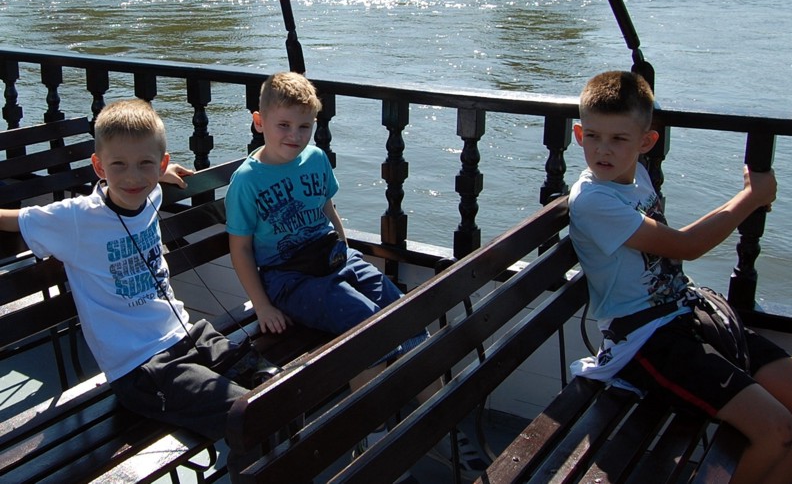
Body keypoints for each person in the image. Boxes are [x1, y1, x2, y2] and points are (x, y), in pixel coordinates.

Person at [225, 71, 488, 482]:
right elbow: (240, 249)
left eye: (304, 127)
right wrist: (262, 305)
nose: (294, 136)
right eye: (283, 125)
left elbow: (327, 209)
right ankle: (372, 435)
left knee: (406, 317)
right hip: (289, 279)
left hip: (334, 260)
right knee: (365, 332)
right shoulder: (247, 181)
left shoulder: (315, 159)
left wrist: (346, 253)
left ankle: (441, 420)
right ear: (260, 122)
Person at [568, 70, 792, 484]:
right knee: (777, 431)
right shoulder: (593, 200)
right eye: (594, 137)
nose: (603, 149)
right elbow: (687, 246)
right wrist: (752, 196)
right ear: (578, 134)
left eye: (619, 139)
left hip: (687, 313)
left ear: (646, 143)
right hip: (645, 342)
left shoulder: (636, 175)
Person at [0, 99, 260, 467]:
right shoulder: (74, 219)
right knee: (247, 413)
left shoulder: (151, 191)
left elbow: (148, 177)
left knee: (267, 377)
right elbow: (14, 219)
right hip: (141, 368)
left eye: (145, 164)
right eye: (118, 165)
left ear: (161, 164)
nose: (133, 178)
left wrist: (162, 173)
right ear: (99, 166)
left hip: (186, 335)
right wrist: (151, 169)